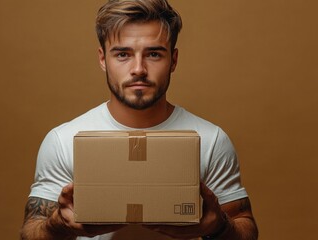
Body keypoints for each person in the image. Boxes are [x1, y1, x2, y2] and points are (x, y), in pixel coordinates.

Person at [20, 0, 258, 239]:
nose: (138, 69)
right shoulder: (63, 140)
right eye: (122, 54)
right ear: (103, 59)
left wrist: (219, 226)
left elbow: (245, 228)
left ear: (173, 60)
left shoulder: (211, 140)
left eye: (153, 54)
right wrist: (56, 225)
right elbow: (30, 232)